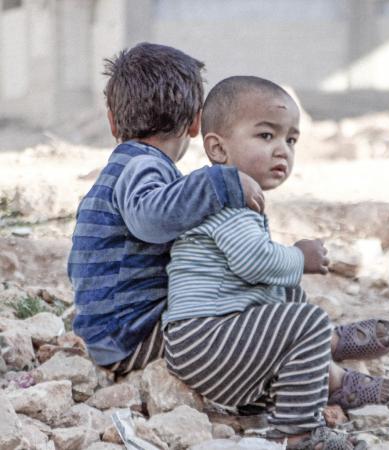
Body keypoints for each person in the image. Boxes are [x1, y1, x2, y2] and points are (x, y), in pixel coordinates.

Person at [163, 76, 389, 449]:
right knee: (305, 317)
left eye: (291, 140)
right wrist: (298, 256)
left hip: (225, 342)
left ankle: (322, 363)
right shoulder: (222, 196)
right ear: (218, 148)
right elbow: (254, 262)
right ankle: (299, 432)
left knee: (287, 295)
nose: (283, 151)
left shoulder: (237, 198)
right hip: (204, 340)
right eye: (266, 136)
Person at [67, 43, 265, 374]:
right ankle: (325, 363)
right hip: (131, 337)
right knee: (245, 327)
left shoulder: (123, 169)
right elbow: (151, 220)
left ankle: (319, 350)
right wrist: (220, 183)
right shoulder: (143, 166)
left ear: (112, 122)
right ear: (195, 123)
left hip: (114, 334)